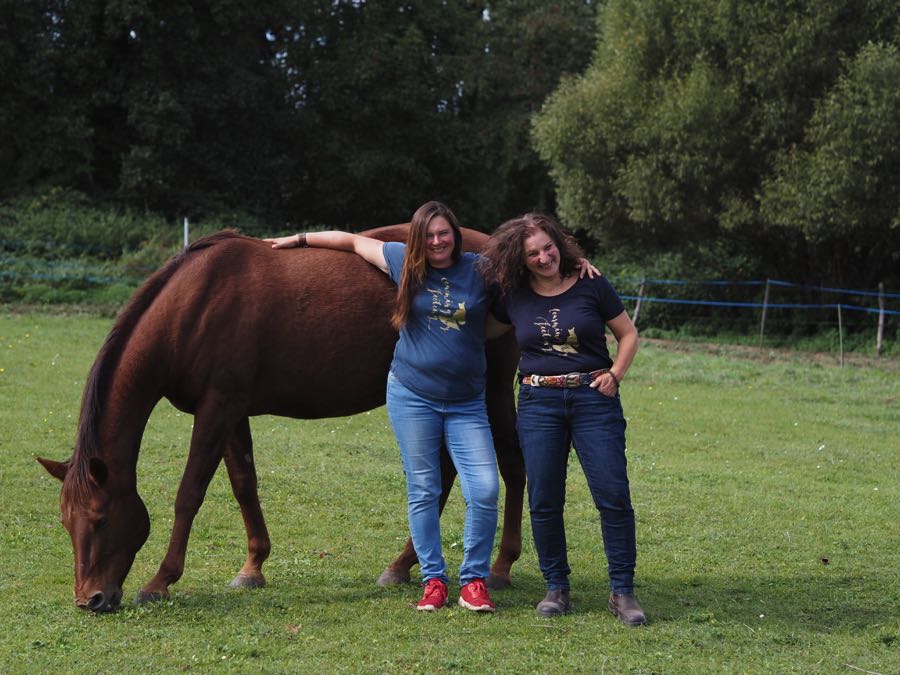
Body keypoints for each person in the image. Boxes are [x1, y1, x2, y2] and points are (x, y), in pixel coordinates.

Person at [265, 201, 499, 613]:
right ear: (417, 240)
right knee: (423, 489)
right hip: (412, 396)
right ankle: (433, 581)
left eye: (444, 233)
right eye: (428, 235)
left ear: (455, 235)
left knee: (484, 488)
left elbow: (535, 261)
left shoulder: (479, 268)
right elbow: (351, 242)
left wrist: (577, 265)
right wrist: (298, 239)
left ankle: (474, 581)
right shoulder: (402, 262)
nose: (437, 241)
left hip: (466, 402)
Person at [478, 213, 647, 626]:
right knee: (545, 499)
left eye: (547, 247)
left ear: (559, 243)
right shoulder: (511, 295)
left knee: (613, 494)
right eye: (531, 253)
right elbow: (481, 331)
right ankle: (556, 587)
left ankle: (622, 591)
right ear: (520, 260)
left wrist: (616, 374)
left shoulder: (591, 283)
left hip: (593, 398)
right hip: (539, 401)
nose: (542, 257)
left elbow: (628, 333)